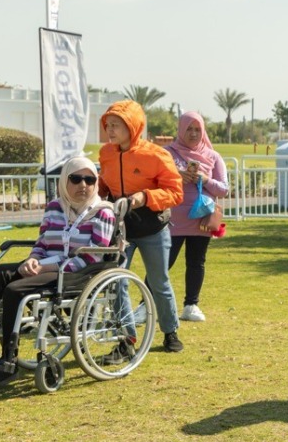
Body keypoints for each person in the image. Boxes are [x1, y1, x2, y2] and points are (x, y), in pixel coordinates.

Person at [0, 156, 118, 383]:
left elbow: (93, 255)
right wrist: (34, 260)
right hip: (49, 265)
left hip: (79, 271)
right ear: (64, 181)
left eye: (89, 179)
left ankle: (9, 360)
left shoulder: (103, 212)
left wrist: (49, 266)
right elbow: (43, 243)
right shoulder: (55, 207)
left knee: (15, 289)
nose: (83, 185)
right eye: (75, 179)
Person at [98, 101, 186, 354]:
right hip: (120, 229)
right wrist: (98, 193)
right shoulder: (106, 153)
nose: (110, 130)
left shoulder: (156, 154)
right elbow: (104, 183)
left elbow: (174, 192)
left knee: (159, 282)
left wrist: (144, 197)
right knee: (116, 282)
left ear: (133, 126)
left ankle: (170, 332)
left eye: (116, 125)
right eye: (108, 125)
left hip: (153, 228)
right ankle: (127, 340)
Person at [164, 111, 229, 323]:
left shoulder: (213, 156)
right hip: (172, 220)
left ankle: (191, 305)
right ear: (181, 130)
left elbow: (224, 189)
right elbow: (155, 179)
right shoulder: (167, 153)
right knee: (163, 263)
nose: (193, 133)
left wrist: (205, 179)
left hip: (201, 220)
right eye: (189, 129)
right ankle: (145, 305)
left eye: (197, 129)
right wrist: (177, 176)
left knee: (196, 262)